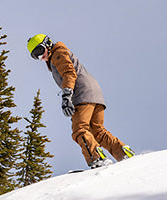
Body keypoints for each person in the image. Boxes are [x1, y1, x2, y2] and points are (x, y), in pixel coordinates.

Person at [27, 34, 135, 168]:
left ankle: (96, 158)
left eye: (39, 51)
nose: (40, 57)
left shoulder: (57, 53)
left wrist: (67, 94)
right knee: (98, 131)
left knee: (79, 129)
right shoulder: (56, 55)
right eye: (35, 56)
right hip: (94, 94)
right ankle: (123, 153)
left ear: (47, 44)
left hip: (82, 94)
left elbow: (69, 73)